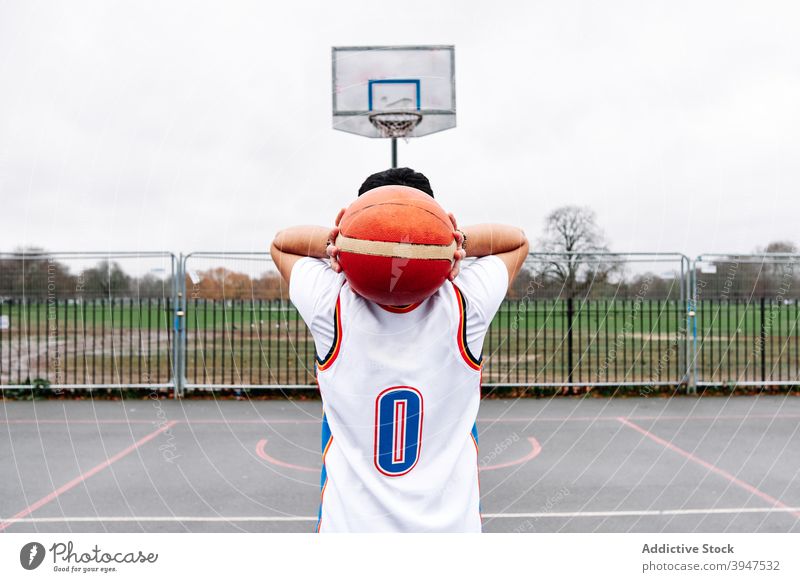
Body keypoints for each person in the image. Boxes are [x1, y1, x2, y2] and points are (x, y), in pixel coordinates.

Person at [270, 168, 529, 532]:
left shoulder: (331, 305)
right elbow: (517, 241)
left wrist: (339, 242)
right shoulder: (466, 304)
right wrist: (456, 242)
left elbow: (281, 243)